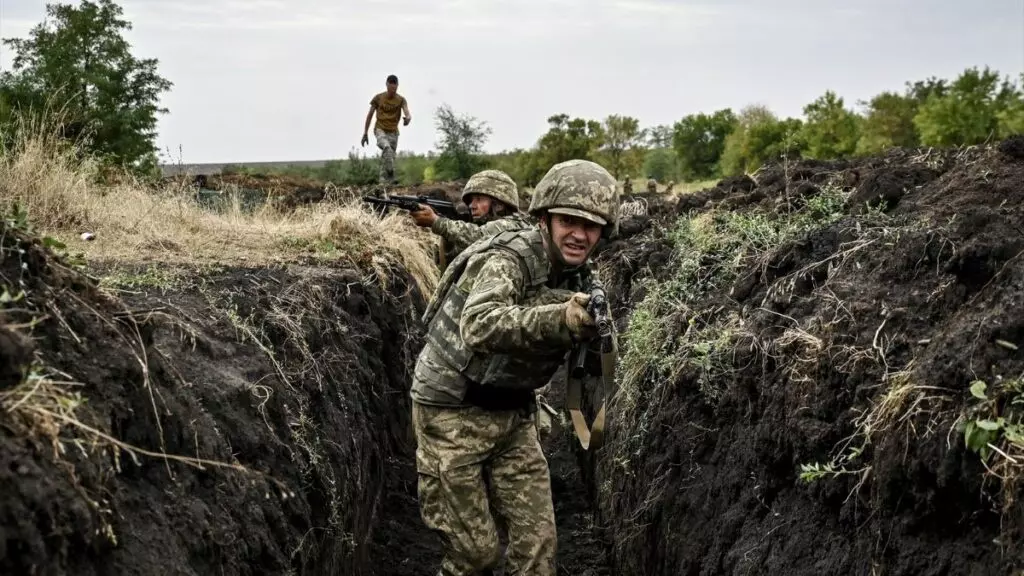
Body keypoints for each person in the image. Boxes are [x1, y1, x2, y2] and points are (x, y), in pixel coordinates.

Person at [410, 159, 619, 575]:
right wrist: (559, 319)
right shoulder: (510, 258)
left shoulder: (581, 277)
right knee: (476, 556)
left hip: (513, 414)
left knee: (537, 550)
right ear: (544, 218)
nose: (579, 234)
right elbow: (479, 324)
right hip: (452, 412)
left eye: (591, 225)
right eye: (568, 220)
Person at [409, 169, 531, 263]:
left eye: (479, 199)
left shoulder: (514, 225)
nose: (472, 205)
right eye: (471, 200)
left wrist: (436, 221)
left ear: (499, 205)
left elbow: (479, 236)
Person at [361, 74, 411, 185]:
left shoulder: (401, 100)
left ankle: (383, 185)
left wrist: (408, 118)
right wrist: (365, 133)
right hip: (380, 130)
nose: (393, 91)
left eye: (395, 88)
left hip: (393, 133)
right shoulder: (378, 98)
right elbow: (369, 115)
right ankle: (392, 175)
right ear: (387, 85)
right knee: (387, 149)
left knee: (388, 158)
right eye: (391, 88)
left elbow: (407, 112)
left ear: (397, 86)